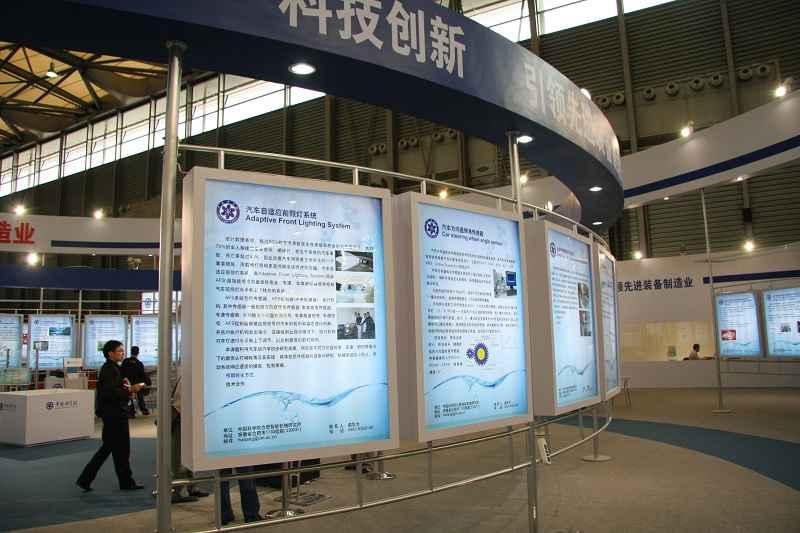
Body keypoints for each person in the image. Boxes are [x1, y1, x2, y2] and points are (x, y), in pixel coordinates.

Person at [76, 340, 144, 492]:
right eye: (119, 351)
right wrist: (130, 390)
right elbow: (111, 392)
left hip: (114, 414)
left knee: (112, 449)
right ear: (110, 353)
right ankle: (124, 482)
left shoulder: (114, 368)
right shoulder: (109, 370)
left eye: (122, 350)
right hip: (115, 415)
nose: (122, 353)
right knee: (119, 449)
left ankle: (88, 479)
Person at [170, 372, 209, 503]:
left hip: (189, 420)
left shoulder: (192, 374)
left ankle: (192, 486)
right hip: (182, 421)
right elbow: (179, 403)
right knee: (180, 456)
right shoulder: (188, 376)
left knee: (191, 456)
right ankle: (177, 491)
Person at [121, 346, 150, 417]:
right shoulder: (139, 363)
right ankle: (144, 410)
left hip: (127, 383)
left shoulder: (125, 361)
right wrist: (145, 383)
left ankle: (131, 412)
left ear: (131, 352)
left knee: (129, 397)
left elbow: (121, 372)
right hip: (137, 384)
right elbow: (142, 374)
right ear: (138, 353)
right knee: (140, 396)